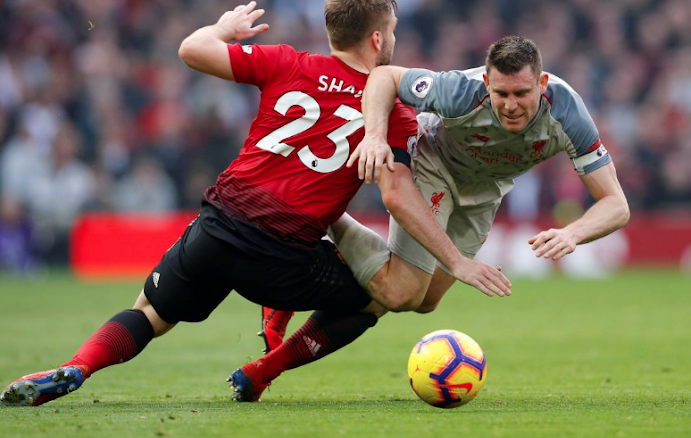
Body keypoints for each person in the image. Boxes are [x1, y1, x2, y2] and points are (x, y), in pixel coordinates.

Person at [0, 0, 450, 407]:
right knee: (384, 293)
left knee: (151, 314)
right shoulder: (394, 111)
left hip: (219, 223)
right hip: (284, 256)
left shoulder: (286, 62)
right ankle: (263, 369)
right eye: (391, 32)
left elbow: (191, 50)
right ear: (376, 39)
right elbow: (398, 192)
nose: (393, 42)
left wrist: (224, 29)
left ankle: (77, 367)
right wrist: (456, 254)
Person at [240, 35, 630, 401]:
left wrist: (575, 233)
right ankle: (268, 362)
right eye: (501, 93)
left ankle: (320, 248)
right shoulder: (460, 91)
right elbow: (384, 76)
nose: (511, 105)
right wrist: (375, 136)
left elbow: (616, 204)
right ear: (486, 82)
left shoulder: (567, 113)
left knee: (423, 301)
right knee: (400, 293)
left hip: (484, 193)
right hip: (432, 165)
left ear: (542, 83)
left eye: (522, 94)